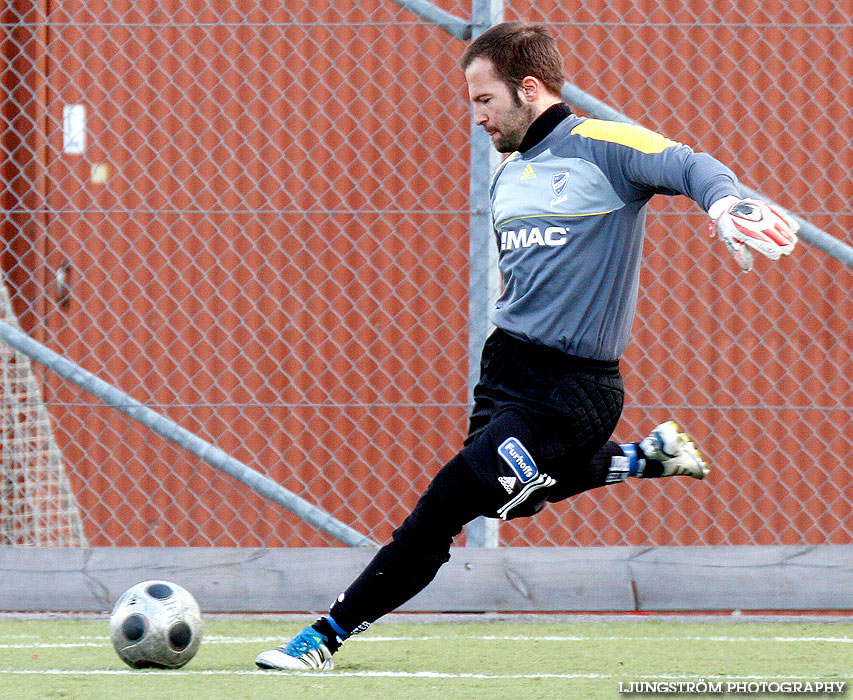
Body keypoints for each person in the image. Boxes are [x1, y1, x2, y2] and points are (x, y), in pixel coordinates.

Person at [255, 21, 798, 671]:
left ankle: (323, 636)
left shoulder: (600, 144)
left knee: (445, 505)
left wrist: (723, 202)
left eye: (484, 100)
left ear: (529, 89)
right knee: (521, 497)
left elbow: (686, 162)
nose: (476, 117)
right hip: (505, 370)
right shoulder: (508, 177)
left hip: (573, 390)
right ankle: (647, 456)